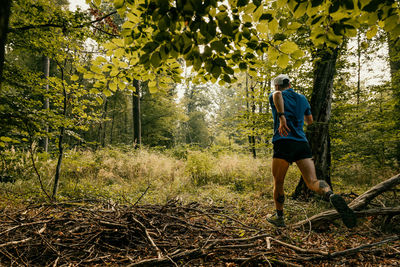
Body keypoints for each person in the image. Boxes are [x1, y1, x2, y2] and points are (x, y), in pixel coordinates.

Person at [267, 74, 356, 228]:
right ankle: (330, 194)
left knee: (278, 181)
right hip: (302, 144)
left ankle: (279, 217)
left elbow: (277, 95)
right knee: (312, 182)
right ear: (289, 83)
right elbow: (310, 121)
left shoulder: (276, 94)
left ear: (276, 86)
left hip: (284, 141)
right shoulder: (302, 98)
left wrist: (282, 117)